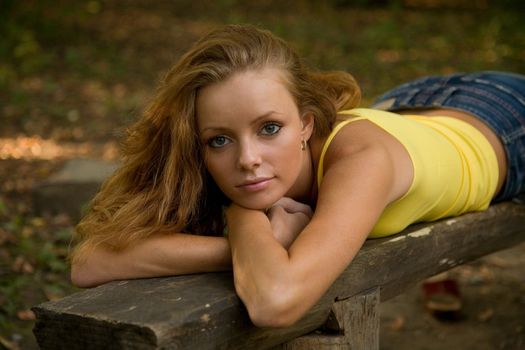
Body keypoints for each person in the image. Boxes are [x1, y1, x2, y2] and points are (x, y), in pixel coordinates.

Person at [69, 24, 525, 328]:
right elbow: (91, 261)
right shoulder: (242, 164)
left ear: (306, 124)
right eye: (219, 140)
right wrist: (248, 243)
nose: (247, 159)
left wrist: (242, 216)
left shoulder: (361, 160)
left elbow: (274, 300)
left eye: (269, 128)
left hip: (504, 119)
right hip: (411, 104)